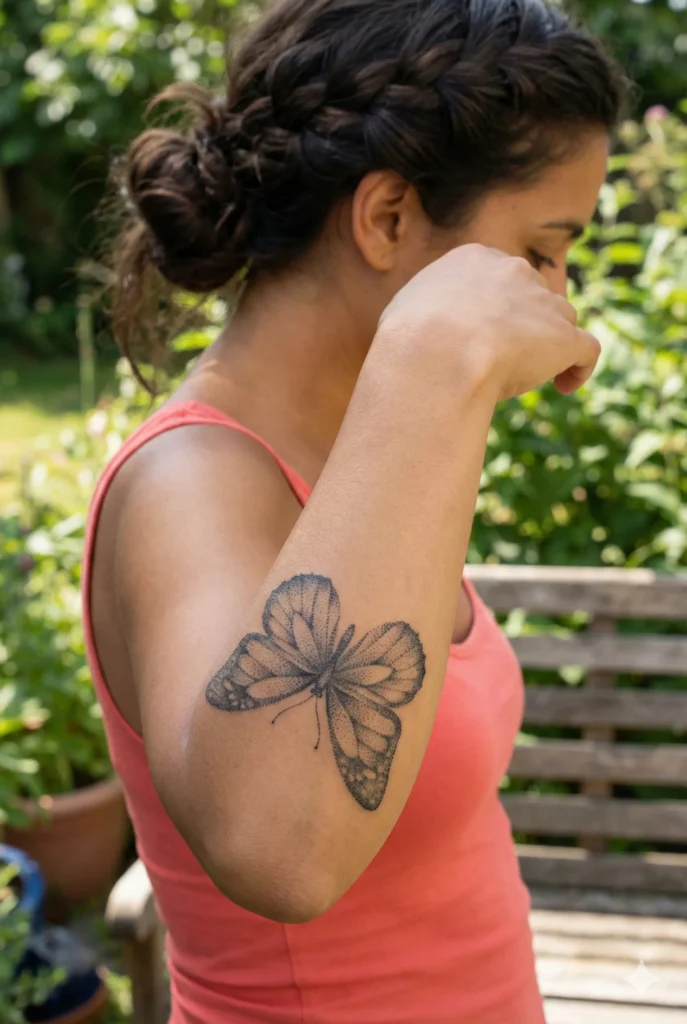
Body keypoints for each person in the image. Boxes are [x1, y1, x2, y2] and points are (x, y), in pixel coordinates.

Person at [84, 1, 628, 1021]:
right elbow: (280, 849)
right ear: (385, 218)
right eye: (543, 250)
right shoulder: (189, 479)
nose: (560, 305)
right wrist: (433, 357)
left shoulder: (359, 455)